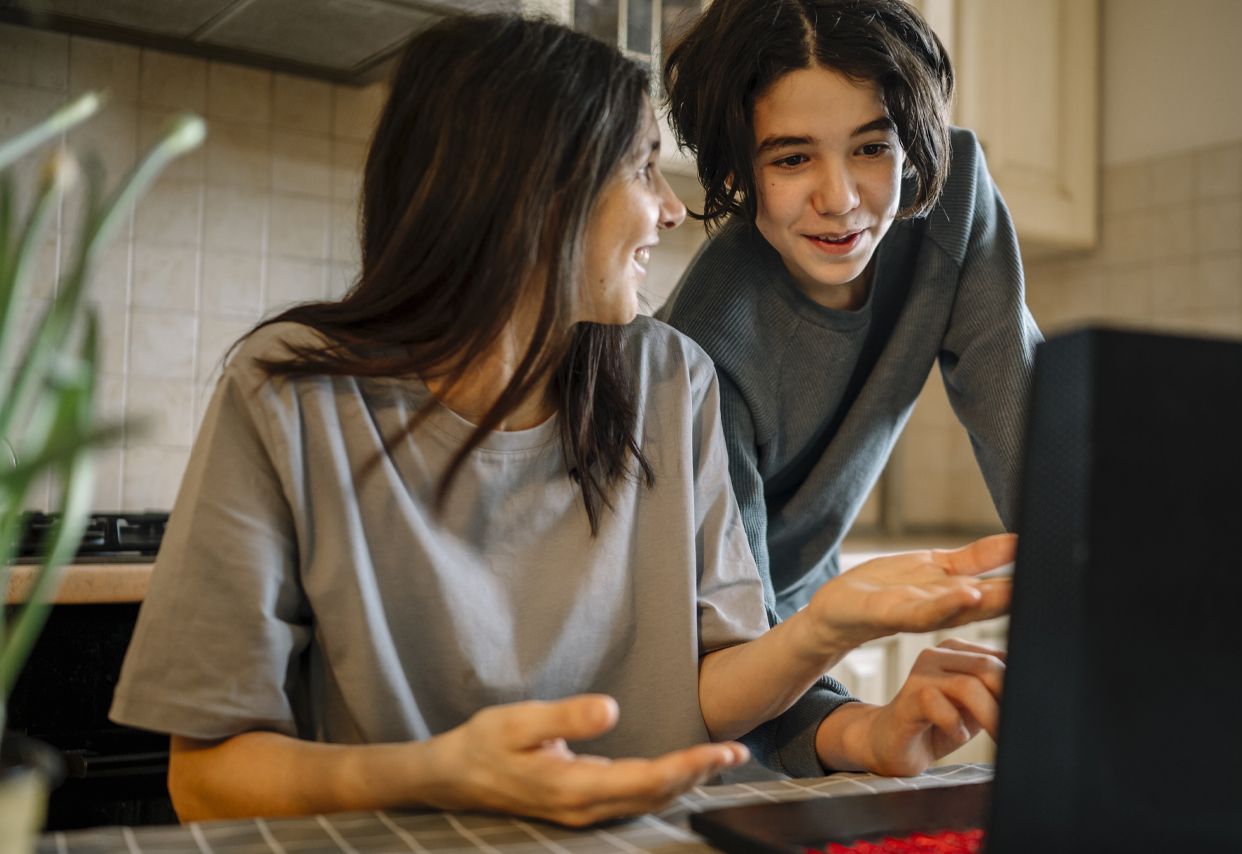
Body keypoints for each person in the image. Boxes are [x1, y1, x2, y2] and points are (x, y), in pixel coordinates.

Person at [110, 13, 1011, 827]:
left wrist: (828, 627)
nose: (669, 207)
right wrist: (440, 773)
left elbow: (705, 689)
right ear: (528, 192)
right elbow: (206, 780)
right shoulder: (289, 394)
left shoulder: (670, 377)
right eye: (641, 168)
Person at [659, 0, 1042, 618]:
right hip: (716, 630)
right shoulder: (701, 346)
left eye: (871, 148)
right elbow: (732, 625)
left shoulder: (955, 196)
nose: (839, 200)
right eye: (791, 158)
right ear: (734, 172)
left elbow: (1031, 443)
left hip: (816, 597)